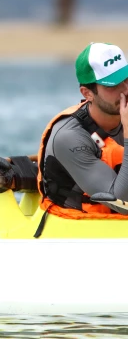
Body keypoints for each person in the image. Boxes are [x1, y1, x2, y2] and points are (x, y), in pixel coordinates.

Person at [38, 42, 128, 217]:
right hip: (78, 223)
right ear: (87, 93)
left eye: (126, 79)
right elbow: (123, 203)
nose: (125, 90)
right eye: (112, 86)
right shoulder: (69, 137)